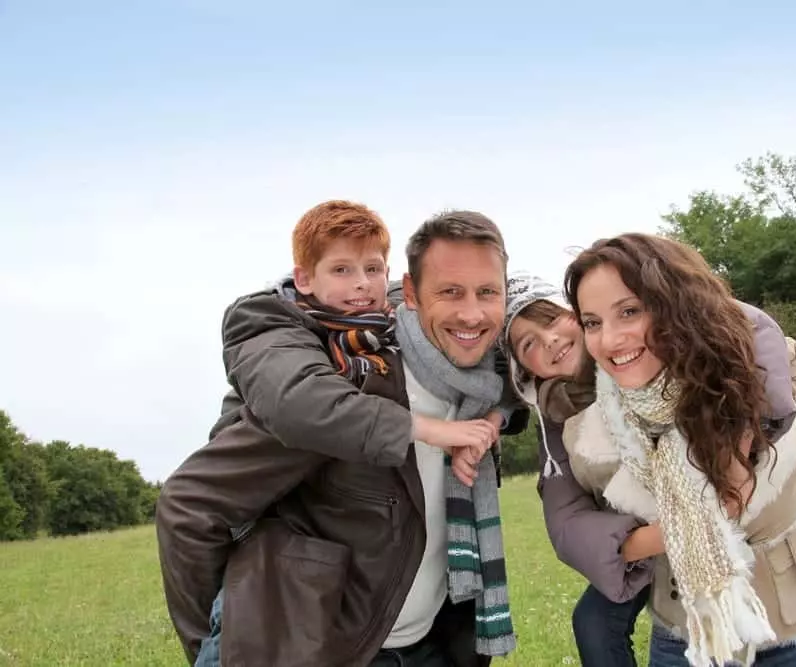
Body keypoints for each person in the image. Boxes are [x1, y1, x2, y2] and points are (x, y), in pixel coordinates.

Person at [503, 250, 796, 665]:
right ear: (525, 369)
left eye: (554, 319)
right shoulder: (560, 419)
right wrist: (674, 530)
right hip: (659, 527)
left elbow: (749, 329)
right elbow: (568, 523)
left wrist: (750, 450)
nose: (552, 340)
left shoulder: (687, 344)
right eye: (528, 345)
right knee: (594, 622)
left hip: (771, 485)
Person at [156, 203, 522, 667]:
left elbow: (545, 342)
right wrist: (230, 638)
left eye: (486, 293)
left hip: (434, 646)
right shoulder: (337, 379)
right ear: (411, 293)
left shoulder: (481, 379)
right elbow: (188, 505)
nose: (471, 314)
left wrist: (495, 418)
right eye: (450, 292)